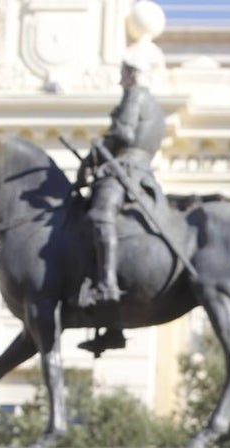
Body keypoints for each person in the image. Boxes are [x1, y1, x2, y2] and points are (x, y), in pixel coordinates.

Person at [74, 54, 166, 354]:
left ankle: (107, 284)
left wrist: (101, 146)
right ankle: (110, 324)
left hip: (126, 170)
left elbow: (125, 134)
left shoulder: (135, 96)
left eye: (124, 72)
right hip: (138, 171)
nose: (121, 78)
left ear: (132, 74)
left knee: (100, 216)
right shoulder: (153, 103)